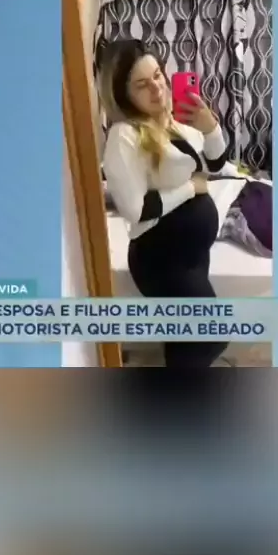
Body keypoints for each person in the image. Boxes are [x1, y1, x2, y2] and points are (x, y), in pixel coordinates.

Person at [99, 39, 230, 368]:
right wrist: (190, 188)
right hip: (161, 258)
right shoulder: (124, 135)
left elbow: (216, 165)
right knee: (211, 336)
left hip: (191, 255)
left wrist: (211, 129)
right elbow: (136, 210)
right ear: (123, 95)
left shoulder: (171, 124)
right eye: (142, 84)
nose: (157, 88)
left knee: (188, 341)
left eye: (157, 75)